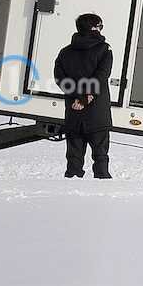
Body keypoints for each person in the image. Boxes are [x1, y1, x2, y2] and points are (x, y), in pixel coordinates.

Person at [54, 13, 114, 179]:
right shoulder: (104, 50)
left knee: (73, 161)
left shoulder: (64, 52)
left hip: (74, 112)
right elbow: (101, 75)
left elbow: (60, 78)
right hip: (97, 113)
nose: (101, 30)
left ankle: (71, 193)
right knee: (100, 159)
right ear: (93, 28)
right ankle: (101, 193)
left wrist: (76, 97)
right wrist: (86, 96)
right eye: (100, 26)